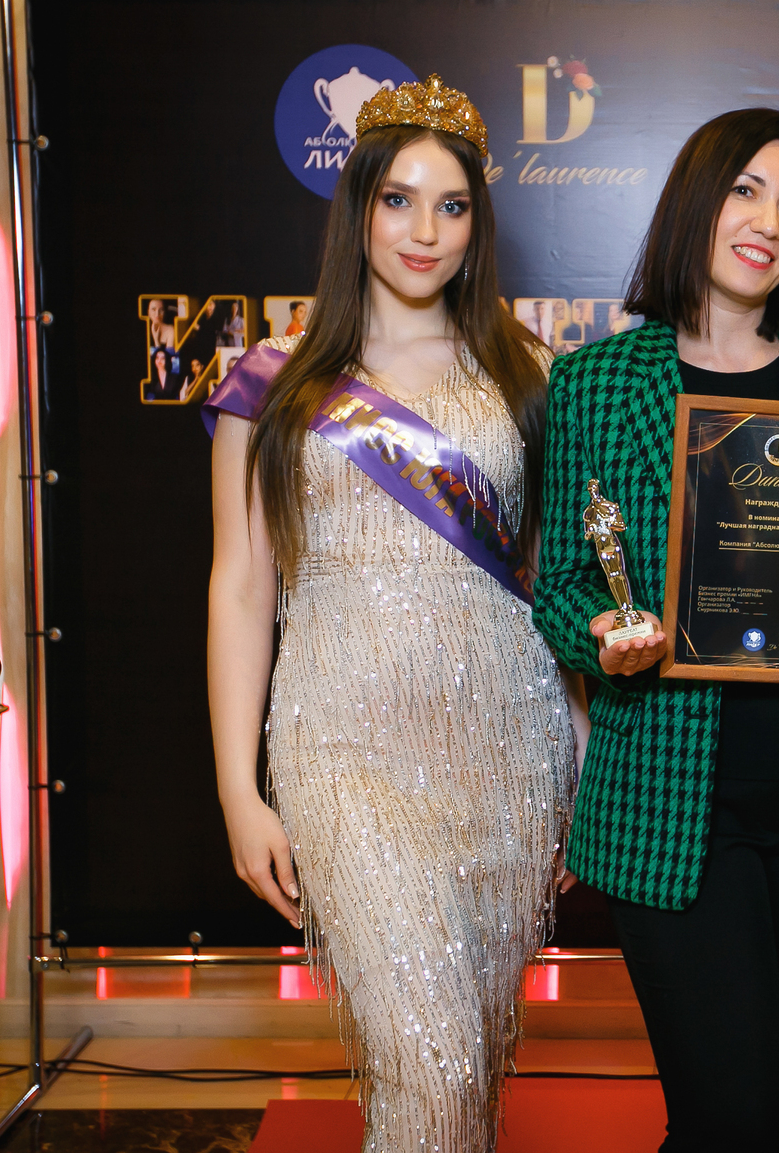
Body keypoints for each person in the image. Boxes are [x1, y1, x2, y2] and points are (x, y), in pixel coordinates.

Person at [532, 108, 779, 1153]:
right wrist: (604, 632)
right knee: (734, 1114)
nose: (770, 221)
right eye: (747, 190)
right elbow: (564, 585)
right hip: (672, 802)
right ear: (696, 200)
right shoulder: (596, 382)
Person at [205, 76, 582, 1153]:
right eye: (399, 200)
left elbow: (558, 580)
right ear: (358, 207)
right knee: (432, 1057)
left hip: (508, 753)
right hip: (343, 751)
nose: (425, 232)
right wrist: (238, 789)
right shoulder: (275, 383)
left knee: (470, 1076)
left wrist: (583, 755)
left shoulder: (528, 376)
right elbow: (241, 586)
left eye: (452, 205)